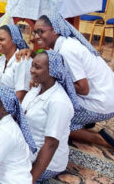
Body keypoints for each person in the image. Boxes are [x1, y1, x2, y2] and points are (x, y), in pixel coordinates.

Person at [19, 14, 114, 148]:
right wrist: (32, 54)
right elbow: (54, 67)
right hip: (105, 96)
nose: (36, 36)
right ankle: (84, 122)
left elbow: (83, 89)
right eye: (35, 32)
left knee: (49, 118)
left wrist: (51, 81)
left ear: (55, 30)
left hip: (101, 103)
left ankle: (99, 138)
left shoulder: (67, 50)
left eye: (41, 31)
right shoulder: (64, 43)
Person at [22, 50, 74, 182]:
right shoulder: (35, 91)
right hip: (27, 151)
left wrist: (30, 180)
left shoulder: (59, 102)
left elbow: (50, 145)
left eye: (37, 67)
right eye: (32, 65)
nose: (32, 70)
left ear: (52, 71)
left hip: (47, 162)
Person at [0, 24, 32, 102]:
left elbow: (21, 95)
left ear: (13, 40)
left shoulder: (23, 61)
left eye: (1, 39)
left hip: (12, 109)